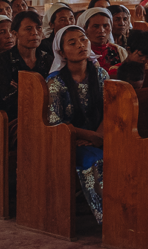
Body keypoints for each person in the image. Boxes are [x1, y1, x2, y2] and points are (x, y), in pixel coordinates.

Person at [46, 25, 107, 223]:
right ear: (61, 52)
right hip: (69, 141)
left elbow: (112, 110)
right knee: (95, 159)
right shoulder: (56, 83)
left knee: (130, 152)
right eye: (72, 42)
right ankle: (107, 217)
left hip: (100, 136)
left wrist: (98, 136)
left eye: (83, 40)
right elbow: (56, 123)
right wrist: (91, 137)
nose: (81, 45)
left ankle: (137, 208)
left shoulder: (100, 75)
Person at [0, 10, 52, 121]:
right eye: (28, 29)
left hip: (44, 116)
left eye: (38, 28)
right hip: (12, 119)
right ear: (15, 33)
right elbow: (9, 98)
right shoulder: (3, 60)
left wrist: (22, 88)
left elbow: (53, 94)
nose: (35, 33)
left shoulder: (47, 59)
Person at [80, 7, 126, 74]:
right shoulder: (81, 52)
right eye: (96, 26)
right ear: (85, 29)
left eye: (105, 26)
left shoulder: (120, 51)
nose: (101, 30)